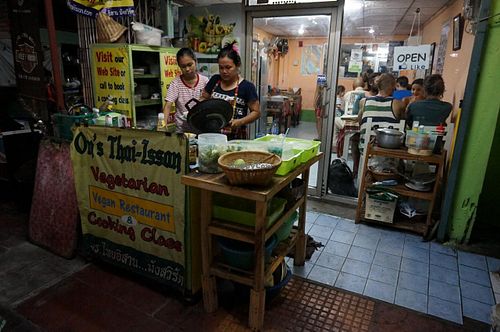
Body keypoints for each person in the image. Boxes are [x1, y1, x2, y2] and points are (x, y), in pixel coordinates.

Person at [201, 42, 260, 140]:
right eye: (221, 67)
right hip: (212, 135)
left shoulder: (247, 87)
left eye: (228, 67)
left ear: (237, 65)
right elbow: (203, 99)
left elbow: (256, 112)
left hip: (236, 138)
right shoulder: (215, 80)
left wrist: (240, 121)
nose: (224, 71)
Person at [350, 73, 404, 176]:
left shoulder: (364, 102)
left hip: (367, 149)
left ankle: (357, 173)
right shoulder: (398, 104)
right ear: (393, 87)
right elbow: (403, 122)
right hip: (389, 151)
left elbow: (360, 121)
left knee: (355, 139)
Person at [162, 48, 209, 133]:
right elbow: (168, 105)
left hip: (202, 129)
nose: (187, 69)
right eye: (183, 66)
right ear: (179, 66)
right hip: (182, 131)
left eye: (190, 64)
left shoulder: (205, 81)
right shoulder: (176, 83)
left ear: (195, 61)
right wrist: (163, 124)